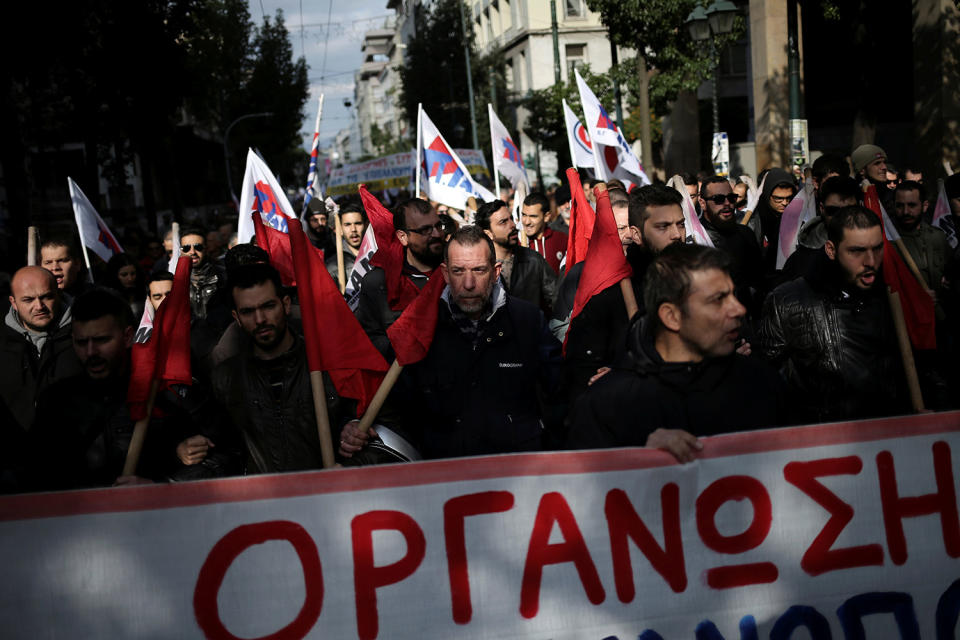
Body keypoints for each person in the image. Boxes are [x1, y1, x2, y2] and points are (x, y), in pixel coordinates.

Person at [340, 226, 562, 460]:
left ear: (496, 272)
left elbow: (558, 392)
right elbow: (392, 401)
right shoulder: (420, 326)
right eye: (458, 271)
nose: (468, 283)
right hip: (446, 472)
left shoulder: (527, 320)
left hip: (520, 468)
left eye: (478, 270)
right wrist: (354, 424)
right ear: (445, 273)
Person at [567, 244, 785, 461]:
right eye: (718, 299)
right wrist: (636, 458)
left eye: (733, 295)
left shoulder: (761, 384)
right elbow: (586, 489)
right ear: (671, 317)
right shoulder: (605, 405)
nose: (739, 309)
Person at [31, 288, 236, 490]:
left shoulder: (170, 391)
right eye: (82, 342)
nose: (91, 352)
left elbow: (229, 455)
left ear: (128, 336)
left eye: (102, 340)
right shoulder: (57, 401)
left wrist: (162, 486)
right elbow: (38, 476)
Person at [757, 206, 908, 423]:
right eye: (856, 251)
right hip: (822, 442)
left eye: (877, 249)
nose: (871, 261)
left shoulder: (893, 295)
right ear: (831, 250)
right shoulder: (788, 302)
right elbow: (767, 387)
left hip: (887, 436)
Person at [553, 184, 687, 400]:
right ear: (636, 234)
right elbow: (583, 372)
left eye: (680, 225)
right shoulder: (611, 289)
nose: (676, 235)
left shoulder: (704, 276)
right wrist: (621, 374)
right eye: (663, 227)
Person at [212, 263, 343, 473]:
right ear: (236, 318)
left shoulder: (327, 364)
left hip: (328, 495)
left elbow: (377, 427)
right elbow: (221, 447)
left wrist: (351, 458)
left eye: (268, 306)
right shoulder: (226, 379)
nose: (260, 320)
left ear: (286, 304)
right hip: (263, 501)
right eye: (248, 311)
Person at [354, 197, 441, 359]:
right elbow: (369, 339)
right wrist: (399, 347)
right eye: (425, 230)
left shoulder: (457, 271)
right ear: (403, 237)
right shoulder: (378, 283)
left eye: (438, 226)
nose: (436, 234)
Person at [0, 266, 82, 432]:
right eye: (28, 300)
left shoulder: (83, 335)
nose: (39, 306)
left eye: (46, 297)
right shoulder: (3, 343)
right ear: (13, 303)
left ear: (58, 294)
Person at [475, 199, 557, 315]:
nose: (513, 225)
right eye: (503, 222)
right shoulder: (478, 267)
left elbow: (556, 300)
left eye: (511, 219)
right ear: (488, 234)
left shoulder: (533, 260)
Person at [698, 176, 763, 310]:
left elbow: (760, 279)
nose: (727, 203)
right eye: (719, 199)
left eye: (731, 198)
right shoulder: (696, 240)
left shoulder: (746, 234)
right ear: (702, 203)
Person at [780, 176, 861, 282]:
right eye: (833, 210)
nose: (841, 217)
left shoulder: (874, 252)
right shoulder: (800, 260)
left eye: (849, 210)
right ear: (822, 209)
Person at [892, 180, 950, 301]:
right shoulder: (888, 242)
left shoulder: (937, 236)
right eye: (900, 205)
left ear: (925, 206)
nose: (906, 212)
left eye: (912, 205)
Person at [752, 168, 796, 272]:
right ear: (768, 195)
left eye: (788, 198)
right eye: (778, 198)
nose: (785, 203)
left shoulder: (797, 218)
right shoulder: (753, 221)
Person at [180, 227, 225, 321]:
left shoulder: (223, 276)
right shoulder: (177, 282)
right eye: (186, 248)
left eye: (198, 247)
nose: (192, 252)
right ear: (181, 251)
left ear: (206, 248)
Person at [522, 191, 567, 274]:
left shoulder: (562, 239)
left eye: (533, 216)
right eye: (524, 215)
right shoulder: (516, 242)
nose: (527, 222)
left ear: (546, 217)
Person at [325, 201, 367, 285]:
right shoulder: (332, 267)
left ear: (365, 225)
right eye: (347, 225)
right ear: (340, 230)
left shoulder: (377, 255)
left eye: (358, 223)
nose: (353, 229)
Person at [104, 253, 145, 318]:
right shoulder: (107, 298)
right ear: (115, 276)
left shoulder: (145, 292)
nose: (130, 278)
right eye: (124, 275)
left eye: (133, 274)